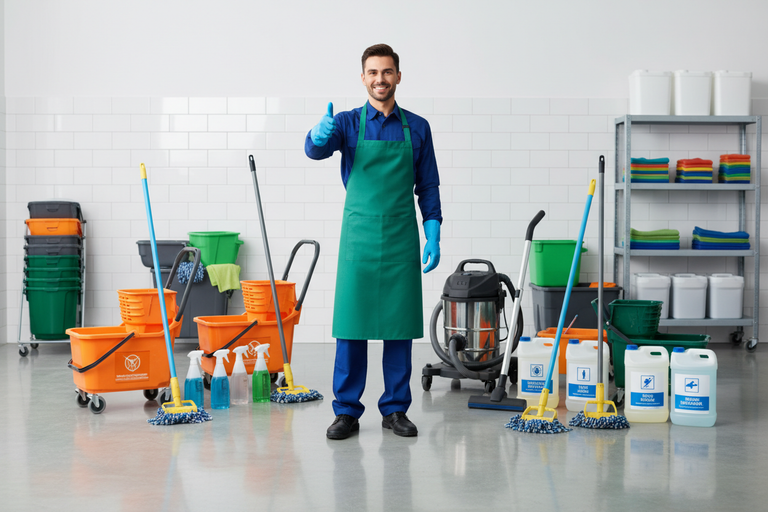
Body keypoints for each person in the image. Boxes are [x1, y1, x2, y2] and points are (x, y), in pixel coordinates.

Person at [304, 43, 442, 440]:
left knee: (399, 328)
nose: (380, 79)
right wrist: (316, 136)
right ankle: (346, 412)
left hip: (400, 238)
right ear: (363, 78)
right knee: (351, 327)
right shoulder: (347, 123)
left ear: (398, 76)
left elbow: (427, 185)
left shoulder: (418, 127)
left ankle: (395, 409)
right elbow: (315, 151)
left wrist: (433, 230)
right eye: (373, 72)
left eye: (387, 71)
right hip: (359, 242)